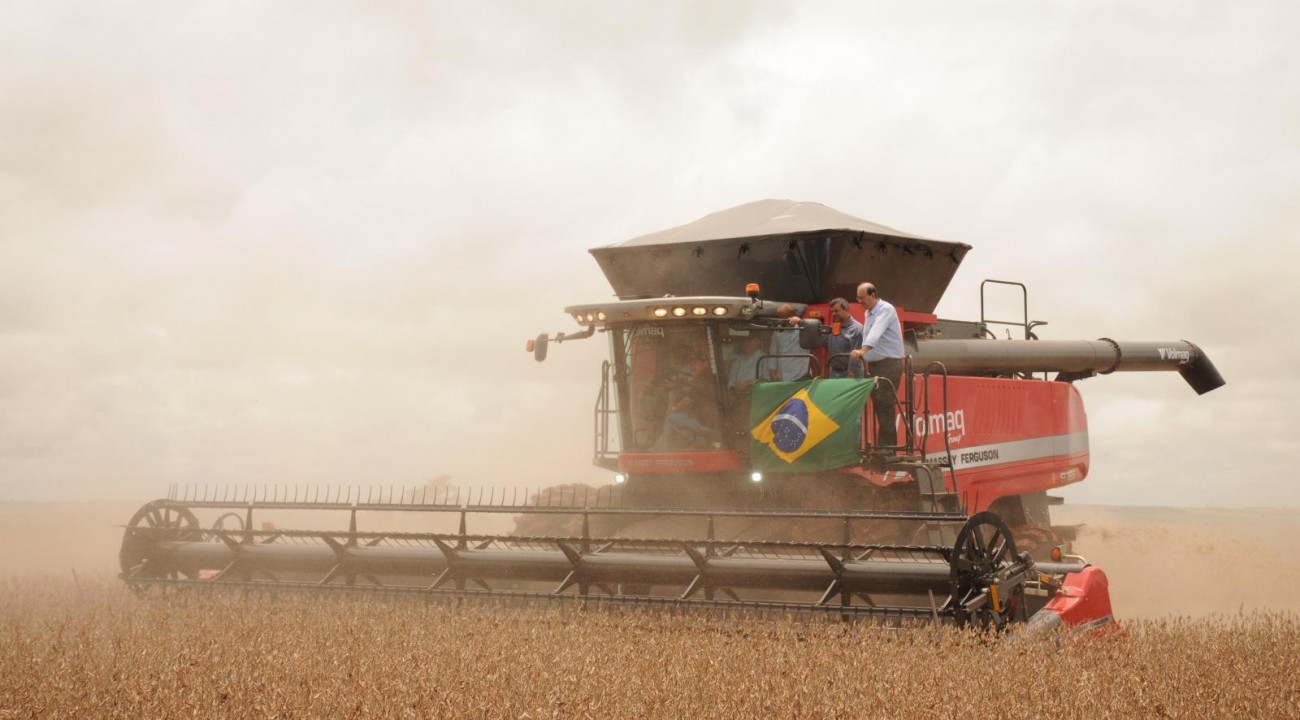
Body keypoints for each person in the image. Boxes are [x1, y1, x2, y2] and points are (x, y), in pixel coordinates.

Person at [850, 282, 905, 450]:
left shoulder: (885, 309)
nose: (859, 301)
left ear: (873, 295)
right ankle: (882, 448)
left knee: (885, 405)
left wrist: (863, 350)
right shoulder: (869, 312)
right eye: (857, 298)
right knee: (880, 407)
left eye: (862, 297)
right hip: (876, 365)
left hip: (889, 365)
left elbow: (876, 333)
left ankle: (887, 450)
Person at [788, 298, 863, 378]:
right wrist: (801, 323)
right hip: (835, 372)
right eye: (832, 311)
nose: (833, 314)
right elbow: (821, 340)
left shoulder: (856, 329)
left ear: (846, 310)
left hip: (851, 374)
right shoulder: (835, 326)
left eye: (836, 311)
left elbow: (857, 355)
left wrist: (851, 373)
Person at [768, 304, 812, 381]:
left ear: (791, 315)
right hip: (782, 376)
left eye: (783, 317)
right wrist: (772, 371)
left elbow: (813, 332)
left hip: (801, 375)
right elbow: (773, 353)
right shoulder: (777, 331)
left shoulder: (803, 328)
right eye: (779, 317)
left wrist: (800, 322)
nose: (780, 320)